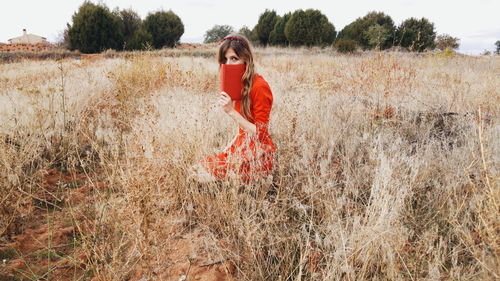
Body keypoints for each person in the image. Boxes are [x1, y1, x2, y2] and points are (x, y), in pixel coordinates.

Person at [191, 33, 276, 184]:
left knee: (201, 176)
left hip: (258, 155)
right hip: (242, 148)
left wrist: (231, 111)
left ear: (246, 59)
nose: (228, 64)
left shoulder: (260, 87)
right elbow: (241, 131)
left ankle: (258, 178)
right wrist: (228, 149)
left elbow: (261, 134)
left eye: (234, 59)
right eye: (225, 59)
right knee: (195, 170)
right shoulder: (238, 84)